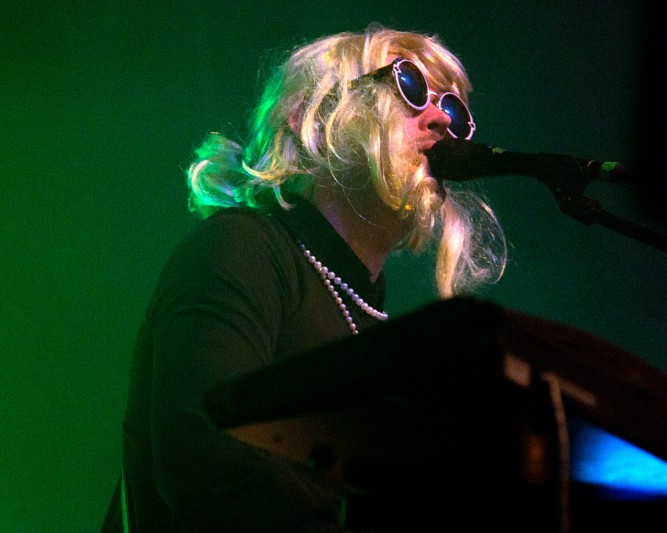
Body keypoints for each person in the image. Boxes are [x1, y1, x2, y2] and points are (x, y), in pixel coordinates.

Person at [101, 24, 506, 532]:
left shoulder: (370, 320)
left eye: (455, 111)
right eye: (410, 88)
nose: (441, 120)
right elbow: (206, 467)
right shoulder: (241, 248)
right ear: (311, 118)